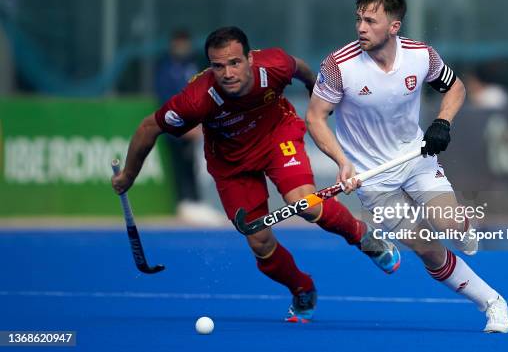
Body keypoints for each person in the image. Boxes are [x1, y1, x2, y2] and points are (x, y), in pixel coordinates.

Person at [112, 26, 401, 323]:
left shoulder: (273, 65)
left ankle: (366, 239)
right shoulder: (196, 99)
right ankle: (301, 288)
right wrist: (129, 176)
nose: (227, 73)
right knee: (259, 241)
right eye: (218, 66)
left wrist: (317, 90)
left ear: (249, 59)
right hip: (231, 164)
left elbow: (299, 67)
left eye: (235, 62)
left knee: (307, 204)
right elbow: (150, 127)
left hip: (278, 135)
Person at [306, 0, 508, 333]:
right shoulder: (339, 65)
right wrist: (343, 162)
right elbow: (315, 117)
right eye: (359, 19)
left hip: (416, 160)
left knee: (448, 224)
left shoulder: (421, 55)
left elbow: (456, 88)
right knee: (426, 247)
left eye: (371, 21)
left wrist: (442, 122)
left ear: (394, 26)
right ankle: (492, 302)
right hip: (372, 180)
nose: (361, 28)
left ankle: (463, 227)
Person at [155, 29, 224, 224]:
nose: (182, 47)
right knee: (180, 167)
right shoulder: (166, 68)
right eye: (179, 43)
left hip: (194, 125)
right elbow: (166, 98)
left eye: (185, 43)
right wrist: (182, 125)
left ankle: (195, 203)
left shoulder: (194, 65)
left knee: (192, 166)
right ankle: (184, 203)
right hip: (176, 126)